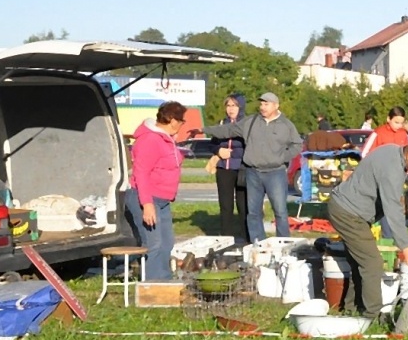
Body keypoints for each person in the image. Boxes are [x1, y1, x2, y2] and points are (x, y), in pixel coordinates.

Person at [326, 137, 408, 325]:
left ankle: (353, 307)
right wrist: (406, 246)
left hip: (348, 209)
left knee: (361, 261)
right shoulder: (393, 170)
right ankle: (372, 316)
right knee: (372, 263)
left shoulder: (393, 150)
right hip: (348, 212)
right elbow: (393, 208)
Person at [202, 91, 303, 240]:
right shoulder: (251, 121)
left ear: (276, 105)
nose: (262, 107)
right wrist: (204, 130)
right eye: (261, 104)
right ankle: (257, 243)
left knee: (280, 211)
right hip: (253, 172)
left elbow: (297, 144)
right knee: (253, 212)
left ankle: (283, 242)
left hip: (275, 173)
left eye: (266, 104)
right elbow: (227, 130)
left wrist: (282, 157)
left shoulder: (286, 125)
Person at [125, 101, 188, 281]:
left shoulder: (165, 139)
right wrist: (147, 204)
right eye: (181, 121)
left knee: (166, 243)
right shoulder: (150, 139)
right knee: (154, 244)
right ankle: (152, 285)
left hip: (162, 199)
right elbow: (141, 172)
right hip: (146, 197)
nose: (182, 125)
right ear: (173, 120)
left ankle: (164, 280)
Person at [211, 94, 249, 243]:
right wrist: (218, 151)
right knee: (226, 205)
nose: (231, 109)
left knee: (243, 204)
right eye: (228, 105)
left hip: (241, 168)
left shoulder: (247, 124)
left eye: (234, 105)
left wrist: (235, 153)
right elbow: (213, 143)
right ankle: (226, 238)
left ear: (240, 107)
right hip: (223, 168)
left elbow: (251, 145)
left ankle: (246, 237)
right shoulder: (221, 123)